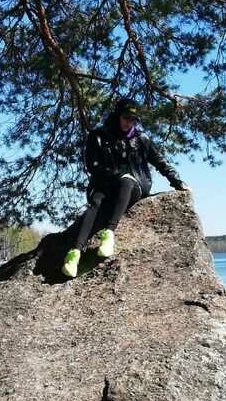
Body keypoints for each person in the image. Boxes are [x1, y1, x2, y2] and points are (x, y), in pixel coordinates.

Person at [62, 98, 189, 278]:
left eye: (133, 119)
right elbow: (92, 165)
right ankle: (74, 254)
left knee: (126, 181)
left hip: (134, 186)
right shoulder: (98, 136)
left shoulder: (141, 139)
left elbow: (160, 162)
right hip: (106, 184)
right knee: (96, 202)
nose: (129, 122)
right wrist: (113, 174)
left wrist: (177, 182)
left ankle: (108, 234)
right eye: (126, 117)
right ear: (117, 116)